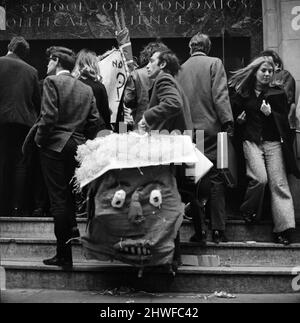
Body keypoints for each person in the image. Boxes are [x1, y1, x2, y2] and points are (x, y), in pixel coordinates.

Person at [34, 46, 101, 268]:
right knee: (70, 198)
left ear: (56, 61)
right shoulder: (85, 89)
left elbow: (49, 116)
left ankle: (63, 255)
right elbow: (94, 121)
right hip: (77, 146)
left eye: (49, 61)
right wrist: (82, 141)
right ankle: (69, 243)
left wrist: (40, 140)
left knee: (58, 200)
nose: (47, 66)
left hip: (54, 145)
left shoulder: (51, 83)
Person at [229, 56, 300, 245]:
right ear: (255, 72)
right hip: (251, 141)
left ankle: (284, 229)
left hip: (273, 142)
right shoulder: (242, 93)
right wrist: (239, 121)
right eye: (263, 71)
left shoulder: (277, 94)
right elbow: (233, 119)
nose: (267, 74)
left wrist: (271, 115)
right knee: (260, 179)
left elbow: (285, 122)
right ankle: (248, 210)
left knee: (279, 184)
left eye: (270, 71)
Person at [177, 33, 234, 244]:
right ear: (207, 48)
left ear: (190, 48)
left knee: (194, 180)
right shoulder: (214, 63)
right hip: (212, 131)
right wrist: (228, 122)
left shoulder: (179, 69)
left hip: (189, 134)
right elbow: (220, 95)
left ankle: (199, 231)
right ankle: (218, 229)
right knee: (217, 178)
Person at [0, 36, 41, 217]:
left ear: (9, 46)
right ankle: (17, 207)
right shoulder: (32, 71)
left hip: (1, 121)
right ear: (24, 53)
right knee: (20, 165)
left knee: (2, 161)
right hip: (24, 124)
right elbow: (37, 102)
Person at [138, 49, 193, 133]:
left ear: (162, 64)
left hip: (171, 142)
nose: (147, 66)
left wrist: (147, 117)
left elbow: (173, 103)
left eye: (151, 61)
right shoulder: (172, 81)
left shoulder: (164, 79)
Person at [123, 42, 169, 128]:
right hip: (163, 125)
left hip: (141, 122)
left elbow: (128, 101)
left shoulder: (135, 74)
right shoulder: (169, 73)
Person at [73, 49, 111, 130]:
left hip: (77, 131)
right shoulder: (99, 86)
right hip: (96, 130)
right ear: (94, 64)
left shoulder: (72, 84)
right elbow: (105, 113)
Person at [260, 49, 297, 129]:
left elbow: (286, 99)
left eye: (268, 61)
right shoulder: (262, 77)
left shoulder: (284, 74)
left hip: (281, 122)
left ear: (277, 64)